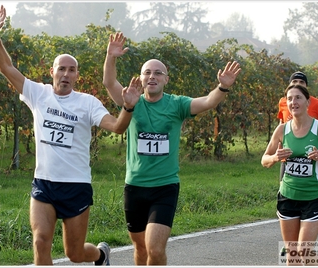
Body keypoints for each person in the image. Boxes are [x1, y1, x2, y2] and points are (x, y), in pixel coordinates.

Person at [0, 6, 141, 265]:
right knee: (40, 242)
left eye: (72, 70)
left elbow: (117, 127)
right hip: (44, 184)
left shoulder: (87, 103)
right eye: (61, 69)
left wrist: (128, 107)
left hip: (76, 186)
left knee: (75, 253)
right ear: (52, 72)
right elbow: (6, 67)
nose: (66, 74)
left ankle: (101, 254)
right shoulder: (39, 94)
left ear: (77, 76)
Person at [102, 32, 241, 265]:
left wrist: (222, 87)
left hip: (164, 187)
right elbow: (109, 82)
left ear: (166, 79)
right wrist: (111, 56)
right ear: (140, 78)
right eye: (147, 72)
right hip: (135, 186)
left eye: (158, 73)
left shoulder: (177, 104)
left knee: (155, 249)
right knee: (140, 247)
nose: (152, 76)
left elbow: (207, 102)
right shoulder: (131, 99)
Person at [261, 84, 318, 265]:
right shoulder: (282, 130)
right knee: (292, 254)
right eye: (289, 99)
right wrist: (275, 157)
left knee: (305, 251)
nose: (293, 102)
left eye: (297, 98)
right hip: (288, 196)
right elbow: (264, 160)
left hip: (314, 196)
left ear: (307, 101)